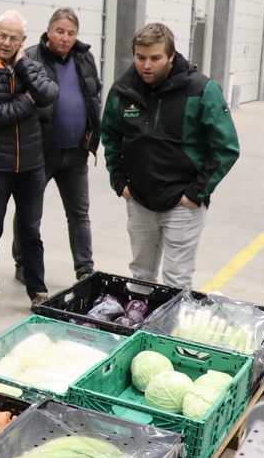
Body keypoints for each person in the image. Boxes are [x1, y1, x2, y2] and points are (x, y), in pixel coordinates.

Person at [100, 23, 240, 288]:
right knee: (141, 276)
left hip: (182, 203)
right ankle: (141, 327)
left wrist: (195, 193)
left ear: (171, 56)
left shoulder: (201, 90)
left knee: (176, 280)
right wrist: (119, 182)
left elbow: (226, 148)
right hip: (139, 200)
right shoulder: (122, 90)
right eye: (140, 58)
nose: (146, 65)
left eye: (155, 58)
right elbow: (110, 137)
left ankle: (169, 330)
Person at [0, 10, 58, 314]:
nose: (6, 42)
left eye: (13, 38)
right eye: (2, 35)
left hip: (32, 166)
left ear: (23, 41)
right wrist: (24, 102)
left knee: (31, 231)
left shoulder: (29, 66)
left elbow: (49, 94)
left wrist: (21, 66)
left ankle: (38, 291)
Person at [14, 7, 102, 282]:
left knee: (79, 214)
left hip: (76, 154)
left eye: (71, 33)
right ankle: (22, 263)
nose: (65, 38)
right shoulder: (30, 57)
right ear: (49, 31)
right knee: (29, 212)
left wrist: (92, 133)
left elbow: (94, 96)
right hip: (41, 153)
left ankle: (85, 269)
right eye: (60, 31)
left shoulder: (85, 58)